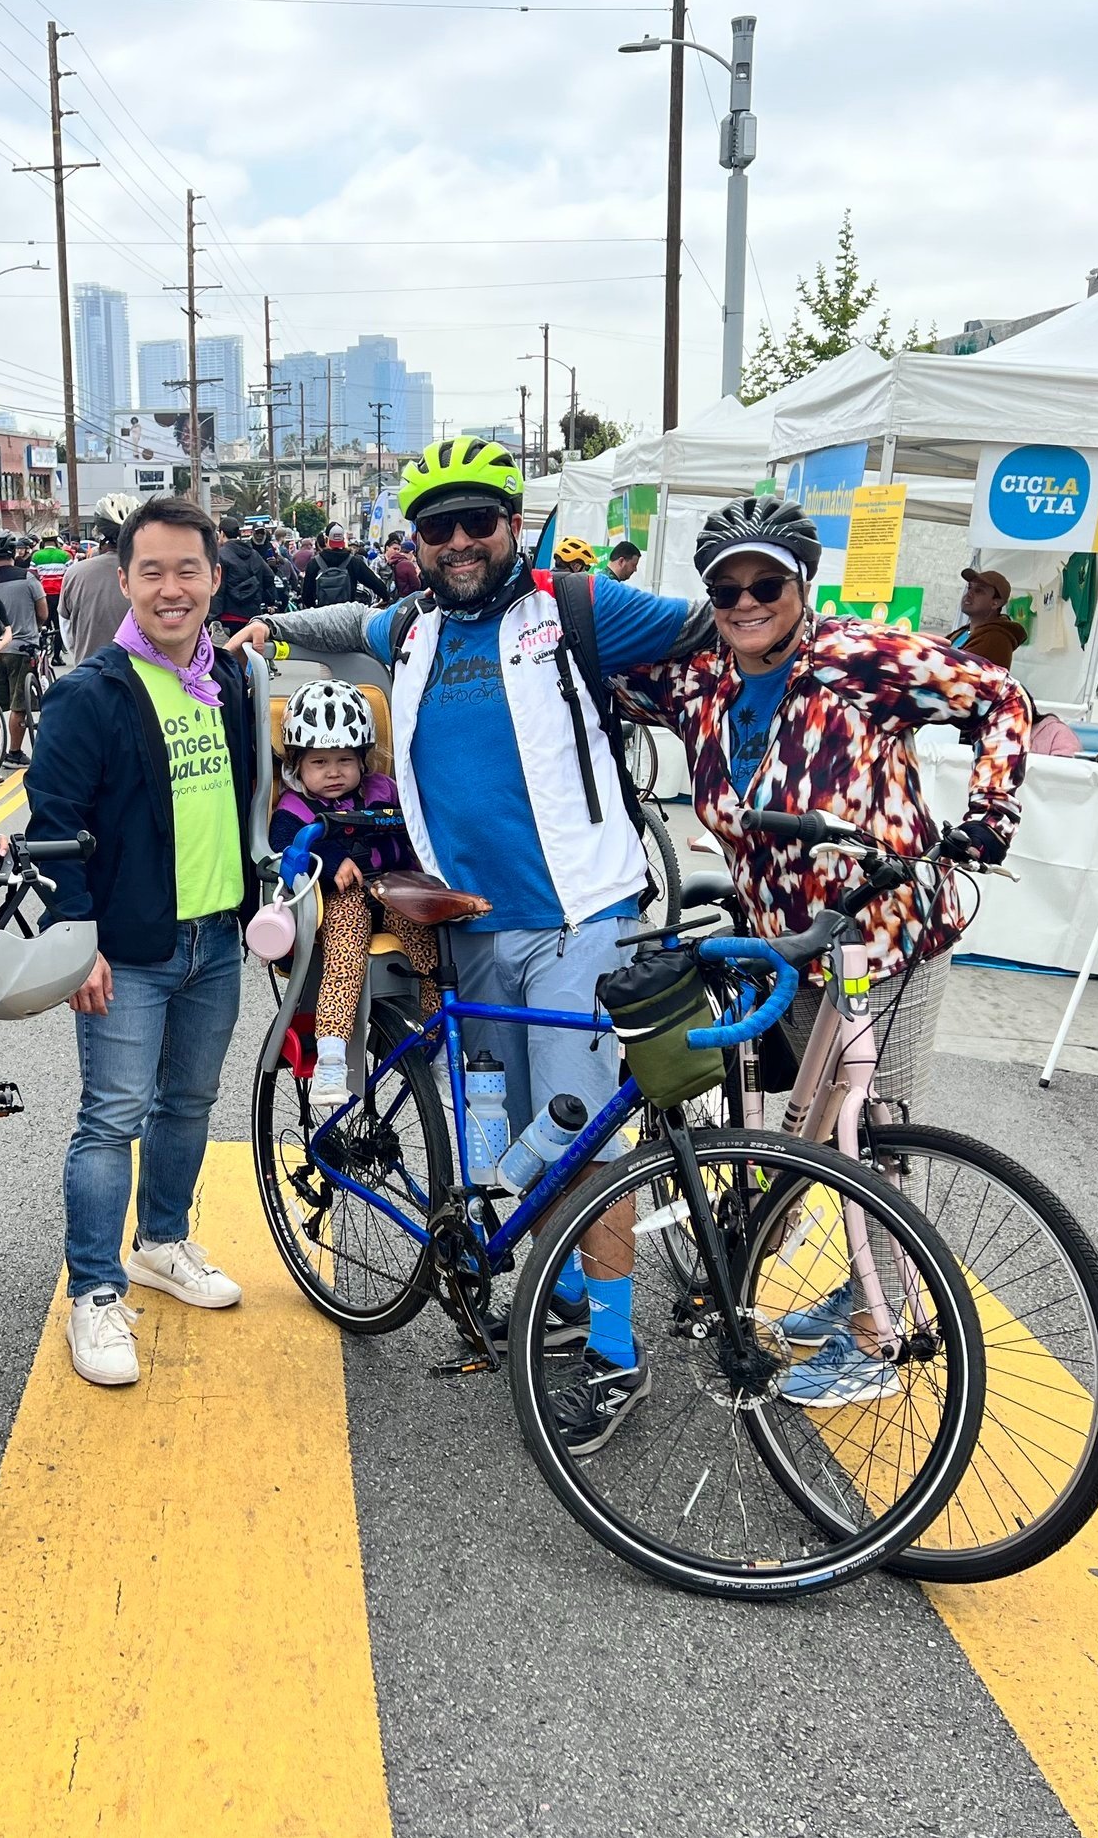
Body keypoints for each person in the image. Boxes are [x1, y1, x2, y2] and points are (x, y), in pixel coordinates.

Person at [229, 438, 703, 1452]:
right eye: (435, 526)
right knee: (503, 1133)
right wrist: (266, 621)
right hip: (468, 922)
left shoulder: (577, 608)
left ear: (511, 524)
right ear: (414, 542)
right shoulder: (412, 627)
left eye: (476, 521)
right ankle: (558, 1300)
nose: (456, 541)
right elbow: (339, 620)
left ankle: (614, 1356)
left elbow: (723, 628)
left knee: (575, 1134)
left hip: (579, 914)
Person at [622, 497, 1030, 1403]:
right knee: (806, 1133)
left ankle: (880, 1332)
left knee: (869, 1132)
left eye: (766, 584)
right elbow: (589, 679)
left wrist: (989, 817)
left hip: (886, 937)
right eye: (726, 590)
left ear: (801, 586)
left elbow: (1001, 697)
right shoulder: (702, 681)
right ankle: (838, 1286)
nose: (746, 602)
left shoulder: (858, 660)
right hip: (788, 943)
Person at [27, 496, 258, 1388]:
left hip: (216, 940)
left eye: (187, 570)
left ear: (213, 579)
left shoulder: (228, 679)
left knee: (189, 1104)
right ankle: (92, 1290)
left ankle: (161, 1241)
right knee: (110, 1118)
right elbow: (53, 826)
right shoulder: (90, 693)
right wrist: (76, 939)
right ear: (122, 581)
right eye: (151, 571)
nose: (171, 588)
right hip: (128, 951)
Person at [267, 679, 437, 1107]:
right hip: (336, 906)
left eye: (345, 759)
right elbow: (283, 850)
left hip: (391, 892)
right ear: (296, 765)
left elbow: (415, 835)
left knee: (428, 941)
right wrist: (328, 857)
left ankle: (434, 1039)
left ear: (363, 760)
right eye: (319, 761)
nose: (333, 771)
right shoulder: (295, 808)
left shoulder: (384, 793)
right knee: (347, 946)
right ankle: (331, 1056)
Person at [0, 534, 49, 764]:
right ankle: (13, 752)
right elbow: (43, 613)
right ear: (14, 552)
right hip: (22, 648)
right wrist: (34, 628)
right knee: (18, 704)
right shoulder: (28, 578)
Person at [57, 494, 138, 662]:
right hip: (145, 676)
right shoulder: (152, 572)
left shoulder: (74, 574)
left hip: (90, 673)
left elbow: (68, 633)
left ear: (99, 534)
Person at [947, 566, 1028, 670]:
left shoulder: (996, 638)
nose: (969, 593)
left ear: (995, 603)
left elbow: (961, 675)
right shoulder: (963, 632)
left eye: (979, 590)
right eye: (970, 587)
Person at [213, 513, 272, 634]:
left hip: (228, 618)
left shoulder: (220, 556)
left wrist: (212, 619)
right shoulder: (254, 554)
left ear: (222, 533)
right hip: (253, 617)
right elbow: (269, 576)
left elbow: (218, 590)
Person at [301, 523, 382, 608]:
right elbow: (374, 582)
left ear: (326, 539)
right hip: (347, 616)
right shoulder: (354, 562)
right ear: (343, 540)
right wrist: (385, 598)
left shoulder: (314, 563)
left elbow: (306, 596)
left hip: (322, 616)